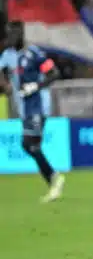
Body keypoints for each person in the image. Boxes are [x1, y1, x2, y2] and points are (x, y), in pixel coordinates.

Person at [0, 21, 66, 202]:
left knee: (30, 142)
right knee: (29, 145)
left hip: (38, 105)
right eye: (8, 34)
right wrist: (4, 85)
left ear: (21, 34)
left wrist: (36, 86)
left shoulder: (34, 54)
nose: (10, 38)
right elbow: (2, 74)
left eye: (13, 34)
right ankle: (53, 178)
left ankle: (54, 179)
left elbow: (54, 73)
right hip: (23, 108)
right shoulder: (7, 56)